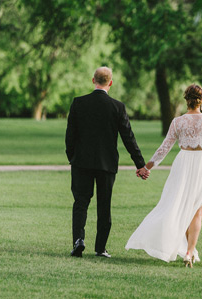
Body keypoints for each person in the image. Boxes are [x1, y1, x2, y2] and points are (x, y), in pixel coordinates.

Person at [125, 84, 202, 268]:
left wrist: (146, 167)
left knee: (178, 205)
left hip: (183, 163)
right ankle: (189, 252)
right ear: (201, 100)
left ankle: (189, 250)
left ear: (186, 100)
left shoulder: (178, 122)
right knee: (197, 211)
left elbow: (164, 148)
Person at [65, 66, 150, 258]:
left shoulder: (78, 103)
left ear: (93, 80)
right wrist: (140, 164)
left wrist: (72, 157)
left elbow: (70, 135)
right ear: (110, 83)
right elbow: (128, 137)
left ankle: (78, 240)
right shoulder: (117, 107)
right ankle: (100, 248)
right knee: (104, 205)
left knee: (80, 202)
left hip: (81, 162)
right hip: (106, 164)